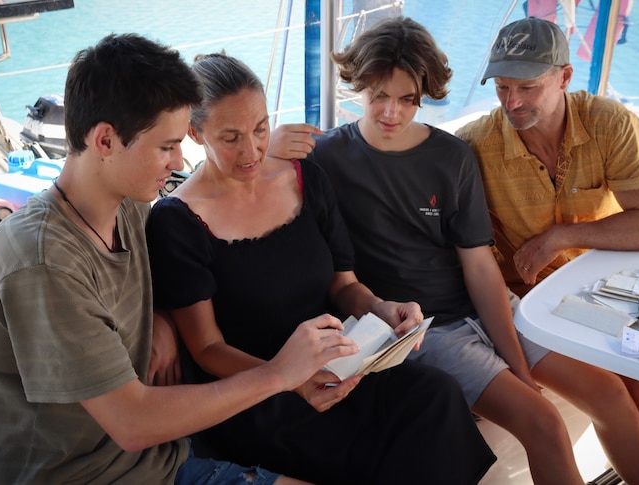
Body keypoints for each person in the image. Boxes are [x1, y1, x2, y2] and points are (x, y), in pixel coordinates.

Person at [269, 16, 639, 485]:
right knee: (544, 423)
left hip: (491, 306)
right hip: (423, 329)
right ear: (358, 86)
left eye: (407, 100)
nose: (391, 113)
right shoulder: (326, 157)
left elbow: (481, 270)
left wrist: (519, 368)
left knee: (609, 394)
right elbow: (241, 178)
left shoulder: (452, 155)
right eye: (378, 94)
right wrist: (273, 146)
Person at [0, 33, 362, 485]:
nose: (178, 162)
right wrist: (279, 374)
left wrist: (162, 316)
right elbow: (132, 423)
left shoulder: (129, 206)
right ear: (105, 140)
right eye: (166, 147)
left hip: (164, 458)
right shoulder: (43, 261)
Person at [144, 52, 495, 485]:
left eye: (260, 129)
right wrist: (290, 379)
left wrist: (383, 308)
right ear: (196, 133)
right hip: (259, 392)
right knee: (364, 446)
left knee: (435, 396)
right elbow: (207, 350)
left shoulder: (306, 178)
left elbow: (343, 284)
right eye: (230, 137)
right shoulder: (177, 221)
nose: (252, 150)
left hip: (338, 367)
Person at [454, 17, 639, 485]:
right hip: (533, 300)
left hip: (610, 283)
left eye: (528, 87)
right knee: (623, 389)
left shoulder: (610, 123)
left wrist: (557, 236)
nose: (512, 102)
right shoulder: (472, 145)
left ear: (565, 78)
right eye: (502, 87)